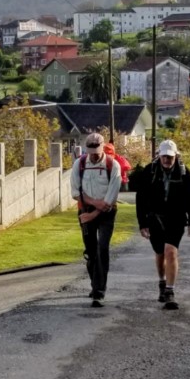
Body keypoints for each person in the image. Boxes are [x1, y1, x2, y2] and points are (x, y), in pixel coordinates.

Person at [136, 138, 190, 309]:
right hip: (155, 218)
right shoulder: (149, 171)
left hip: (176, 218)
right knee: (159, 253)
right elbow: (140, 199)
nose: (167, 160)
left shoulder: (184, 173)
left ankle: (170, 292)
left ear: (176, 156)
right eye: (164, 156)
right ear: (159, 156)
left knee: (170, 252)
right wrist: (142, 223)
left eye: (170, 157)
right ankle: (162, 282)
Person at [70, 131, 122, 307]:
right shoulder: (79, 164)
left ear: (102, 149)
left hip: (106, 213)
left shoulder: (113, 165)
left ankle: (99, 292)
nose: (93, 156)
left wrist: (94, 213)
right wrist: (93, 204)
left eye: (96, 153)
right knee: (91, 250)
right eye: (91, 153)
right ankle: (95, 284)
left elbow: (111, 198)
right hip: (85, 210)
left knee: (102, 248)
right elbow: (76, 192)